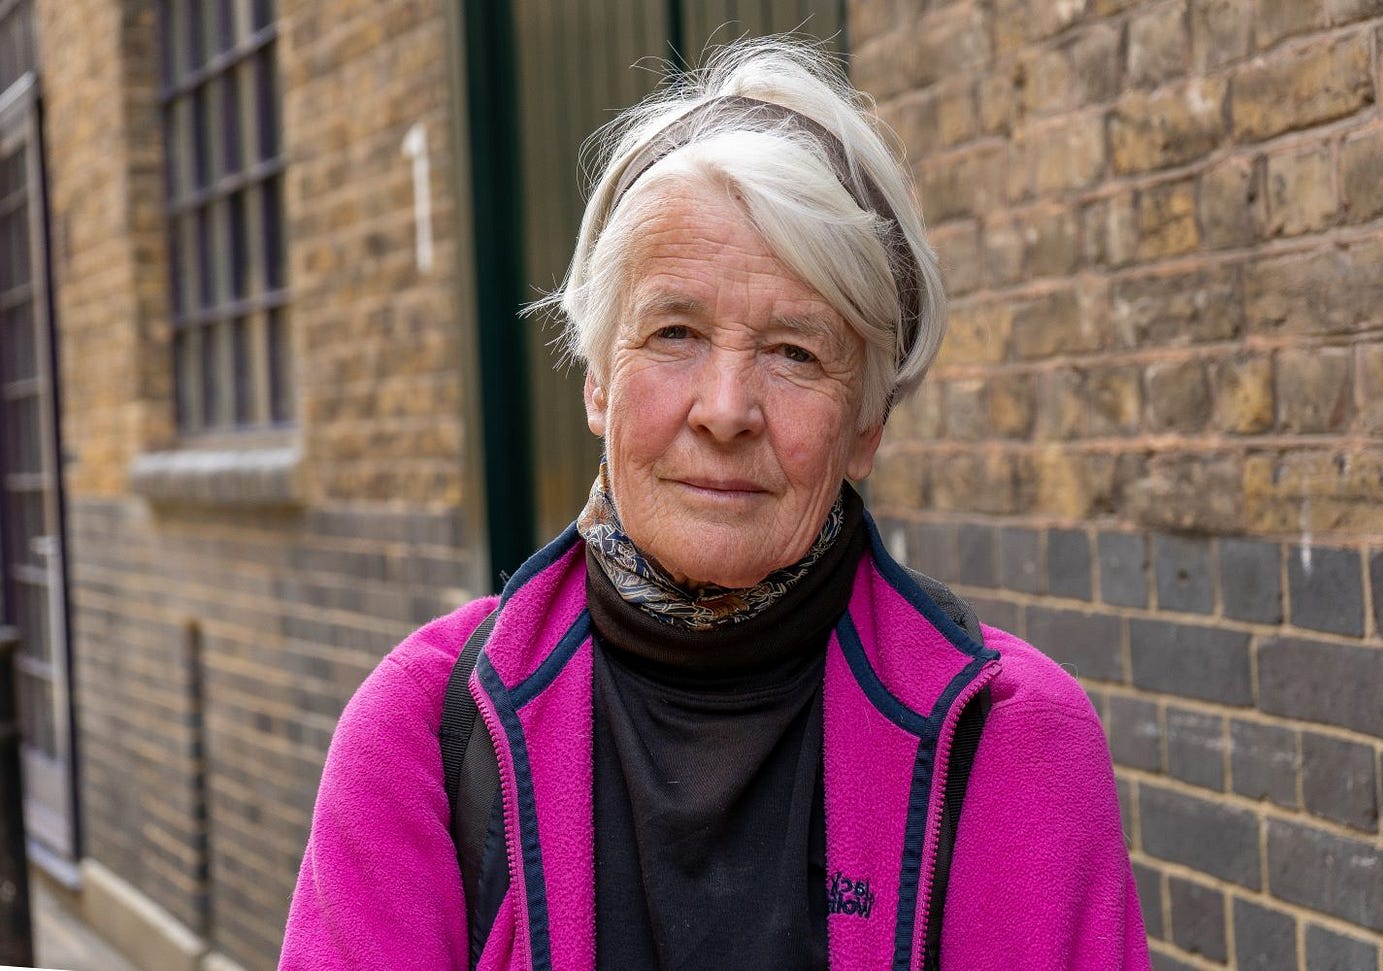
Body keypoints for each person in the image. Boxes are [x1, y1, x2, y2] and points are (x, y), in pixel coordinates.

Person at [280, 38, 1149, 970]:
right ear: (598, 381)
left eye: (795, 352)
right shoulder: (421, 731)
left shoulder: (1011, 744)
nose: (727, 409)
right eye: (675, 332)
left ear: (867, 423)